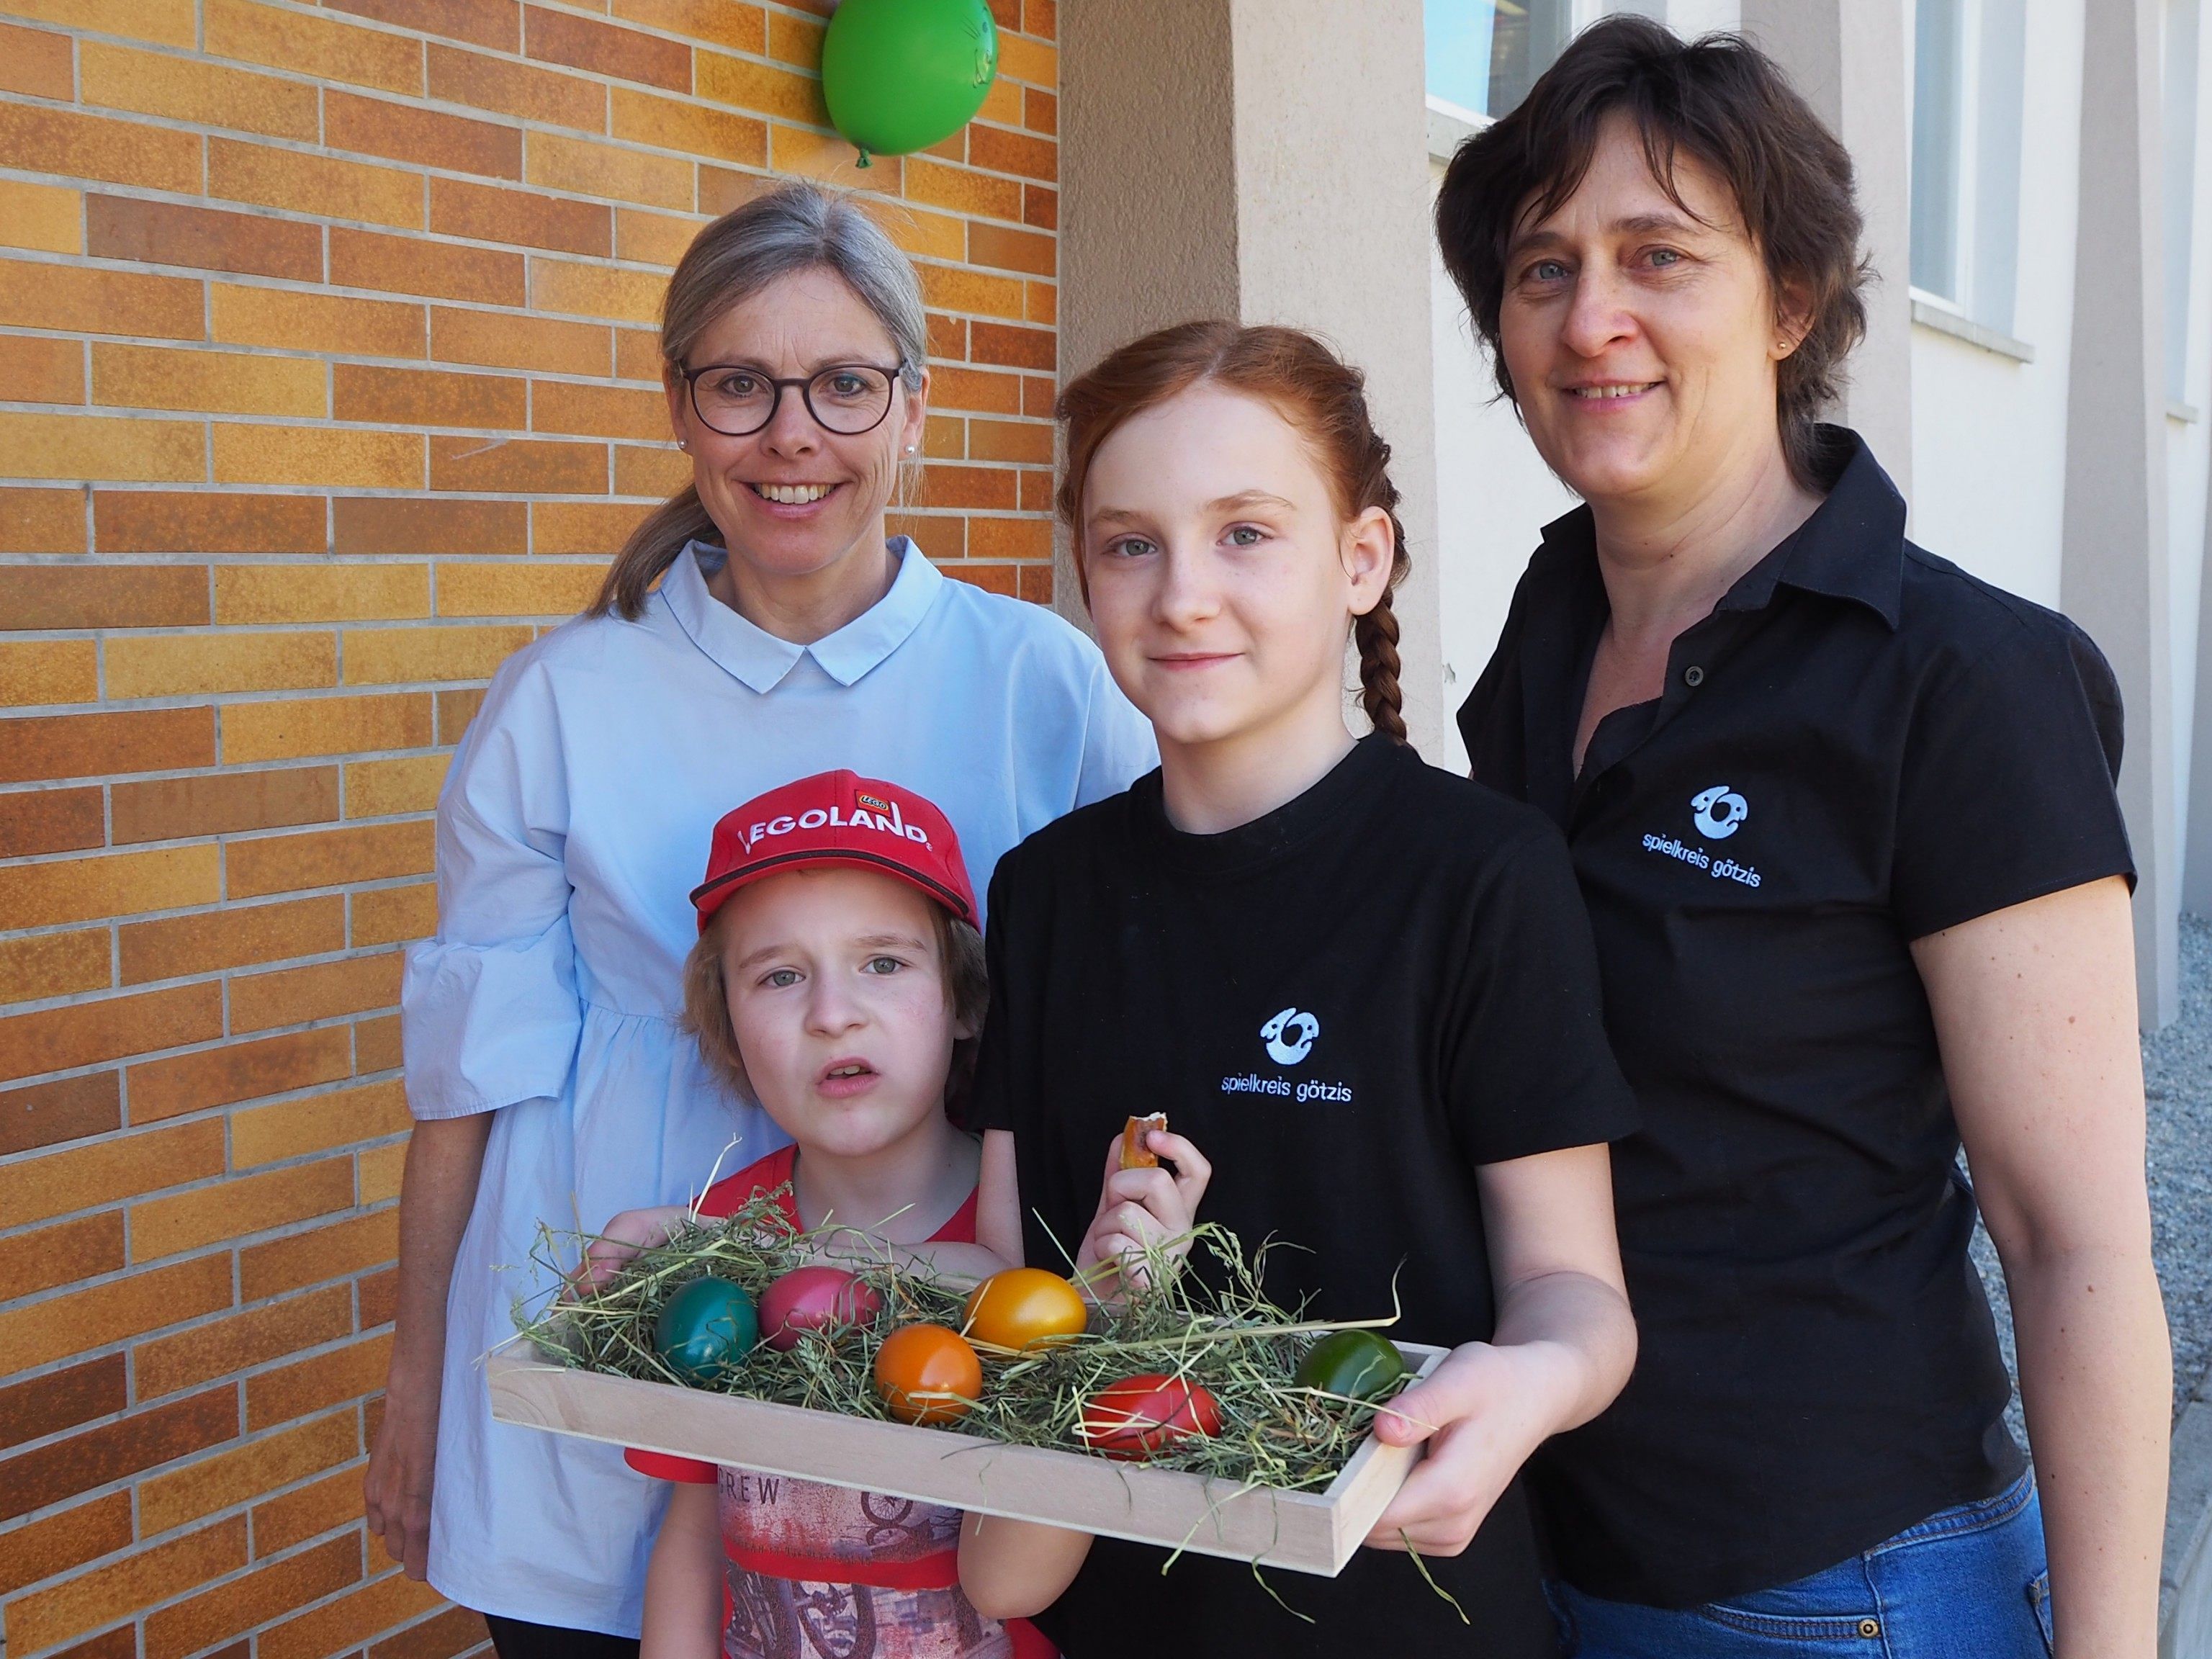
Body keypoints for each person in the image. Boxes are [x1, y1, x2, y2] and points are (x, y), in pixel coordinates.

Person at [1437, 19, 2170, 1658]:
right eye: (1539, 267)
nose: (1586, 316)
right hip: (1543, 1540)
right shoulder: (1543, 623)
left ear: (1785, 303)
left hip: (1831, 1586)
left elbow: (2070, 1242)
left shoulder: (1958, 681)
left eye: (1653, 256)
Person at [369, 183, 1155, 1659]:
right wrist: (420, 1378)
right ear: (680, 408)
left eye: (846, 384)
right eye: (740, 385)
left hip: (929, 1421)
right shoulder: (562, 701)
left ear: (913, 411)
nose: (792, 435)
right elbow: (467, 1083)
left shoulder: (1041, 683)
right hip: (589, 1409)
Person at [956, 320, 1642, 1657]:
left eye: (1246, 532)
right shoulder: (1044, 892)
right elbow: (1001, 1272)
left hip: (1411, 1612)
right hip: (1112, 1623)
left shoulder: (1481, 875)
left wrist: (1532, 1379)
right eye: (1128, 541)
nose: (1183, 593)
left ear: (1360, 558)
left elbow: (1577, 1289)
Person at [586, 772, 1058, 1659]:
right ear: (725, 1025)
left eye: (884, 962)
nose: (833, 1015)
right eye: (780, 976)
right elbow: (691, 1529)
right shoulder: (720, 1228)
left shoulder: (1035, 1242)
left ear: (961, 1000)